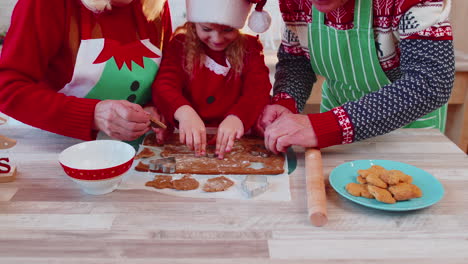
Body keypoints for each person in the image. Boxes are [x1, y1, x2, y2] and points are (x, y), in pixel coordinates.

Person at [257, 0, 455, 153]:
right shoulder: (296, 3)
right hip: (335, 115)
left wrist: (327, 126)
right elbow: (296, 61)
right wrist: (286, 102)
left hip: (408, 124)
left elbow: (432, 82)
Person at [0, 0, 172, 142]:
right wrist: (92, 115)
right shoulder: (44, 4)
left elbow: (165, 73)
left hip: (132, 148)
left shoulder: (155, 5)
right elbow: (6, 88)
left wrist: (154, 105)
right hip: (57, 145)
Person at [153, 0, 273, 158]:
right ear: (193, 23)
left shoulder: (250, 48)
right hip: (185, 134)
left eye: (227, 29)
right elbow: (164, 85)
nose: (217, 39)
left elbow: (258, 89)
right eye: (206, 29)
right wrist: (184, 113)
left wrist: (238, 117)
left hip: (239, 135)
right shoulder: (179, 45)